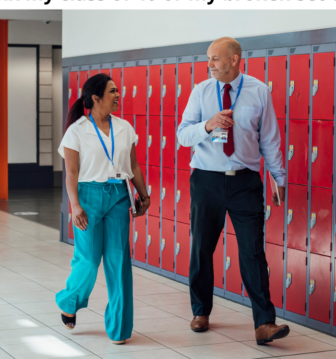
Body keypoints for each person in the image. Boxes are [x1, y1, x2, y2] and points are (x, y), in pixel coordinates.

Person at [177, 37, 289, 345]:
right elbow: (182, 135)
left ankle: (264, 322)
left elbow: (270, 139)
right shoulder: (200, 92)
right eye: (209, 59)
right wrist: (208, 125)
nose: (209, 64)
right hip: (207, 180)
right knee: (201, 249)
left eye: (215, 58)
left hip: (245, 182)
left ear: (235, 59)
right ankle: (200, 311)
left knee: (253, 251)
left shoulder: (258, 91)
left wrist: (278, 179)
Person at [56, 74, 150, 344]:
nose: (118, 95)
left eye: (117, 90)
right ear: (96, 98)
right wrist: (75, 205)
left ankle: (119, 328)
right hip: (88, 196)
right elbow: (71, 172)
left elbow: (133, 166)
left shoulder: (124, 127)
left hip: (119, 195)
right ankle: (69, 300)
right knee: (88, 259)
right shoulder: (77, 130)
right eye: (112, 91)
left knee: (119, 261)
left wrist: (143, 195)